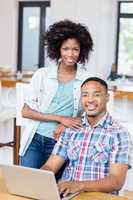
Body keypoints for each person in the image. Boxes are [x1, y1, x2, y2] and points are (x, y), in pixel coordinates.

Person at [19, 19, 93, 175]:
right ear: (58, 49)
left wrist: (67, 125)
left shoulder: (86, 79)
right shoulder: (42, 74)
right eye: (66, 49)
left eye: (75, 49)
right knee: (26, 188)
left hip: (61, 143)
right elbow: (25, 112)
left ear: (82, 51)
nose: (71, 54)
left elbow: (91, 115)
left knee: (52, 191)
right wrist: (61, 119)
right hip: (35, 140)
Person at [41, 77, 132, 196]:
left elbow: (116, 181)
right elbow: (50, 166)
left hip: (99, 197)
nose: (90, 100)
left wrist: (79, 185)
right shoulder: (70, 130)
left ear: (107, 97)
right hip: (66, 195)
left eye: (96, 95)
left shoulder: (119, 134)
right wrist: (38, 178)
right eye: (85, 95)